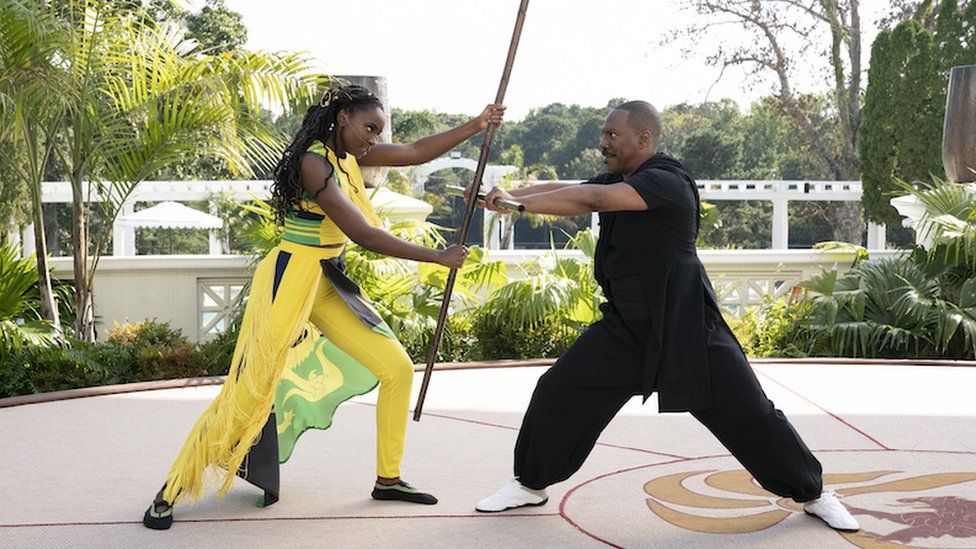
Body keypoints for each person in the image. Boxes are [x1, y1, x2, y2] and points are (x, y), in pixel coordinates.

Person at [472, 101, 859, 533]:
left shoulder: (665, 181)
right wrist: (503, 197)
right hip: (628, 327)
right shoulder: (625, 177)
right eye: (603, 135)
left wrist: (520, 207)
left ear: (644, 139)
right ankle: (530, 484)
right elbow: (569, 184)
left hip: (687, 325)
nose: (602, 144)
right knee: (560, 388)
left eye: (611, 136)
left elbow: (592, 198)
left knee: (751, 414)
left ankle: (814, 493)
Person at [143, 84, 506, 530]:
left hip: (327, 279)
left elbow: (414, 151)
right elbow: (362, 234)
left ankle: (388, 479)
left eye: (378, 132)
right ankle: (170, 490)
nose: (374, 139)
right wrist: (437, 256)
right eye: (369, 128)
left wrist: (477, 123)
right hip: (290, 277)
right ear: (342, 119)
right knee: (247, 392)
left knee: (397, 368)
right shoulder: (314, 162)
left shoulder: (350, 156)